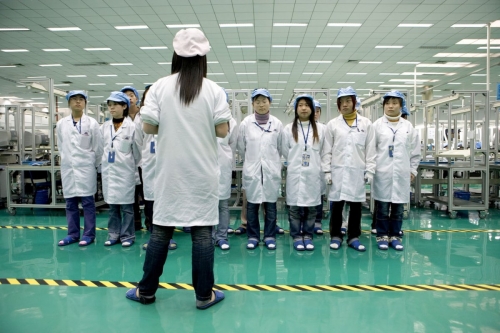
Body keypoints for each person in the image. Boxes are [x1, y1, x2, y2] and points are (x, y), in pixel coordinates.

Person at [126, 28, 231, 309]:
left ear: (176, 55)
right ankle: (203, 295)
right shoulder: (213, 90)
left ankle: (146, 291)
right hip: (202, 173)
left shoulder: (160, 86)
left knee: (161, 231)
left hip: (170, 174)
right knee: (202, 235)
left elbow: (148, 126)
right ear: (203, 58)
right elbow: (222, 130)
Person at [321, 87, 376, 252]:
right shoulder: (332, 125)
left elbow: (371, 149)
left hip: (357, 171)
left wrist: (370, 170)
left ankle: (353, 236)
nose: (344, 105)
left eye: (348, 101)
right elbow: (327, 150)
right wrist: (327, 171)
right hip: (337, 172)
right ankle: (336, 235)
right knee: (336, 206)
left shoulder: (366, 124)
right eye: (341, 102)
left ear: (354, 102)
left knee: (356, 207)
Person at [372, 91, 420, 251]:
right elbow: (371, 150)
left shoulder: (408, 127)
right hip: (382, 173)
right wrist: (371, 170)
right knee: (383, 208)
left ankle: (395, 236)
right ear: (383, 105)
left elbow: (415, 151)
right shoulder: (377, 126)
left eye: (394, 103)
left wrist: (413, 170)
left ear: (401, 105)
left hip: (401, 173)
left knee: (398, 208)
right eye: (387, 103)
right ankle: (382, 235)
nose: (390, 106)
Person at [237, 88, 283, 250]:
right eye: (257, 101)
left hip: (270, 171)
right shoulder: (245, 124)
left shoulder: (277, 123)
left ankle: (270, 236)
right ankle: (253, 236)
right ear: (252, 104)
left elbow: (281, 147)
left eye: (264, 101)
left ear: (269, 102)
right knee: (252, 206)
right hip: (253, 170)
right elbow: (241, 147)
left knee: (270, 206)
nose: (261, 104)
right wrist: (252, 161)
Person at [57, 90, 103, 246]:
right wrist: (67, 160)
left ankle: (89, 234)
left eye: (81, 99)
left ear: (85, 103)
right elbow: (61, 146)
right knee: (70, 204)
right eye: (74, 99)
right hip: (68, 168)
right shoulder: (62, 123)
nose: (78, 102)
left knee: (88, 203)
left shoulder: (92, 123)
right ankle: (73, 234)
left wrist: (92, 164)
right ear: (69, 103)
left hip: (86, 169)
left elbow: (98, 148)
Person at [282, 94, 324, 251]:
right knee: (294, 208)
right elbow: (285, 150)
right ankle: (296, 236)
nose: (304, 108)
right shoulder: (288, 129)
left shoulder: (321, 129)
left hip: (313, 174)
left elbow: (324, 151)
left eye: (307, 105)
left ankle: (307, 235)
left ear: (312, 109)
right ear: (296, 109)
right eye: (300, 105)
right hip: (295, 174)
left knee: (311, 208)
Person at [100, 91, 142, 247]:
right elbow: (100, 149)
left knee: (127, 207)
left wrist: (127, 163)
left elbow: (138, 153)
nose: (111, 108)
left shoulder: (132, 127)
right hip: (109, 173)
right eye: (109, 105)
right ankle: (113, 234)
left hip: (125, 173)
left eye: (115, 105)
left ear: (124, 106)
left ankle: (128, 235)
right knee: (112, 207)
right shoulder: (104, 127)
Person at [139, 84, 177, 251]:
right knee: (151, 204)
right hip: (149, 165)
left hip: (168, 165)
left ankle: (168, 238)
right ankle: (154, 237)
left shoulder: (169, 115)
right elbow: (137, 143)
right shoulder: (140, 119)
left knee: (168, 202)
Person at [214, 90, 238, 250]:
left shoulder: (232, 122)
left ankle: (222, 236)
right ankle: (208, 237)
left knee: (223, 204)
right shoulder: (204, 118)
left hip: (222, 165)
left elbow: (233, 145)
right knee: (206, 204)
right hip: (205, 166)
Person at [120, 85, 144, 231]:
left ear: (136, 98)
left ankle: (149, 223)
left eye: (131, 95)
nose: (129, 98)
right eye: (125, 96)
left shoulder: (145, 115)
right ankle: (135, 224)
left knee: (148, 197)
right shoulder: (121, 120)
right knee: (131, 196)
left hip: (145, 162)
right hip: (127, 164)